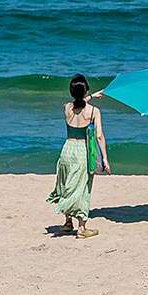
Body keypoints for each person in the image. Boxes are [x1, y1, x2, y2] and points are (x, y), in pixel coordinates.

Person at [48, 73, 110, 237]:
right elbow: (99, 136)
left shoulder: (66, 107)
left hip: (67, 149)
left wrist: (90, 96)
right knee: (83, 187)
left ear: (71, 92)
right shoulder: (94, 112)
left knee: (67, 183)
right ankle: (82, 228)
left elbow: (78, 103)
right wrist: (104, 158)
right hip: (83, 151)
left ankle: (68, 223)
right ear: (86, 90)